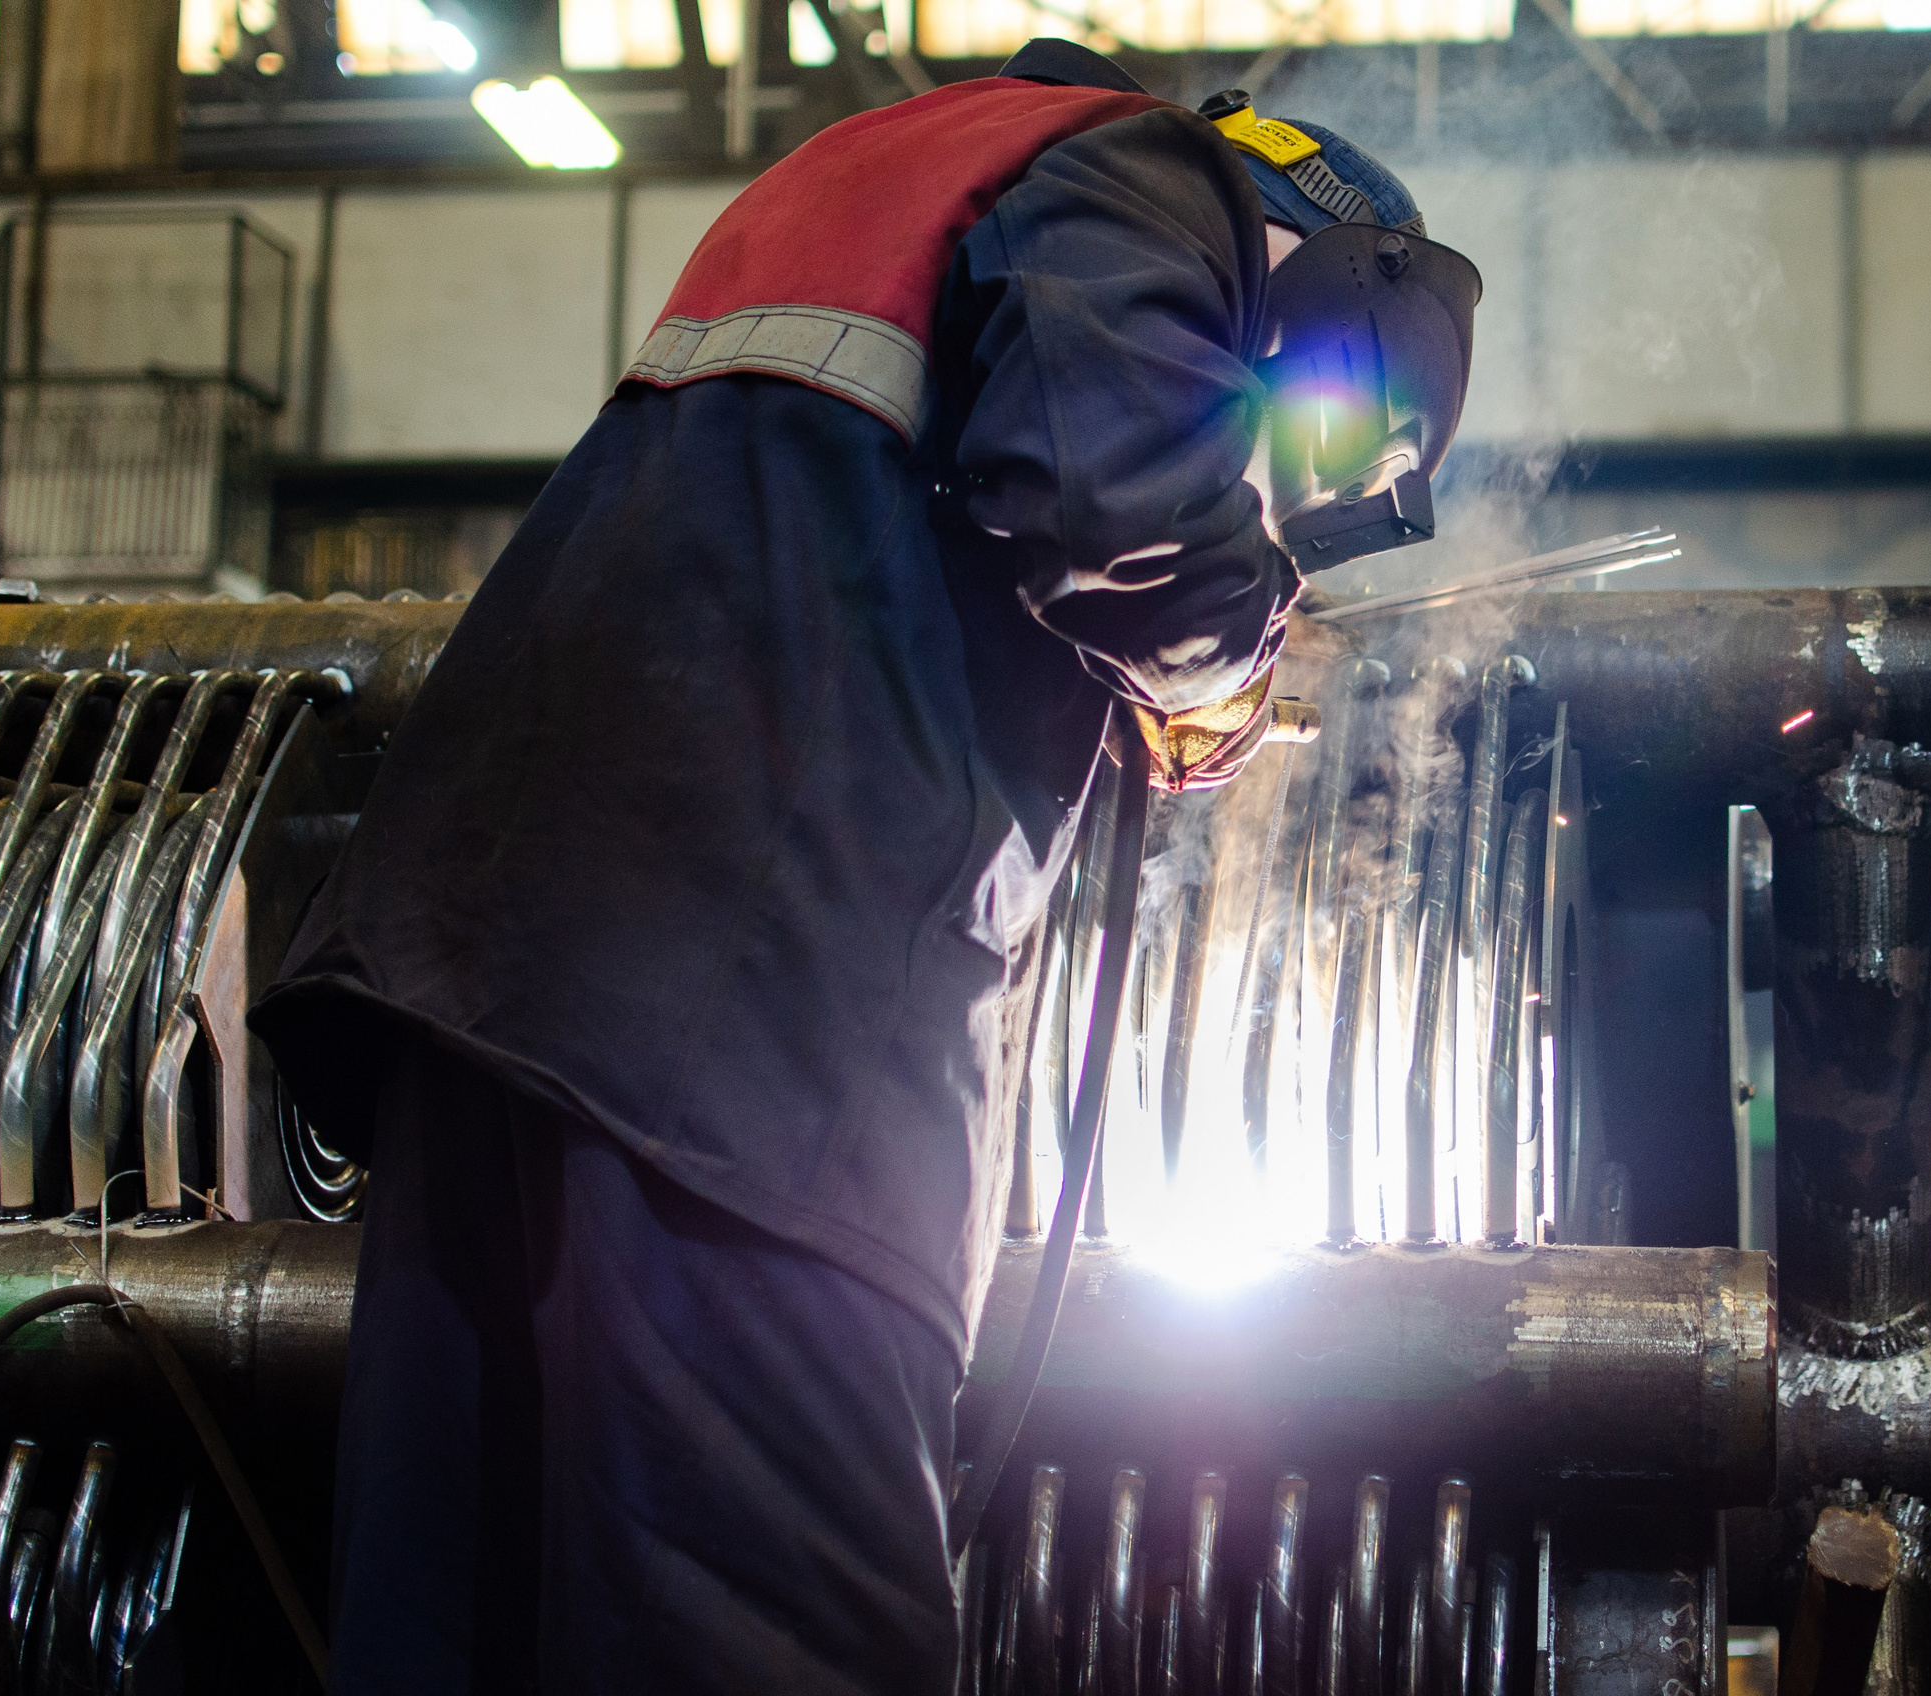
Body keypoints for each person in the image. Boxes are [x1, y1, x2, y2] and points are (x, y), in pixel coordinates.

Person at [250, 38, 1475, 1694]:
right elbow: (1120, 498)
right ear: (1323, 281)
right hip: (742, 1039)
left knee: (463, 1627)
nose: (1278, 479)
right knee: (788, 1638)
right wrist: (1223, 670)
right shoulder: (1146, 171)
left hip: (483, 981)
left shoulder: (900, 165)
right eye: (1312, 433)